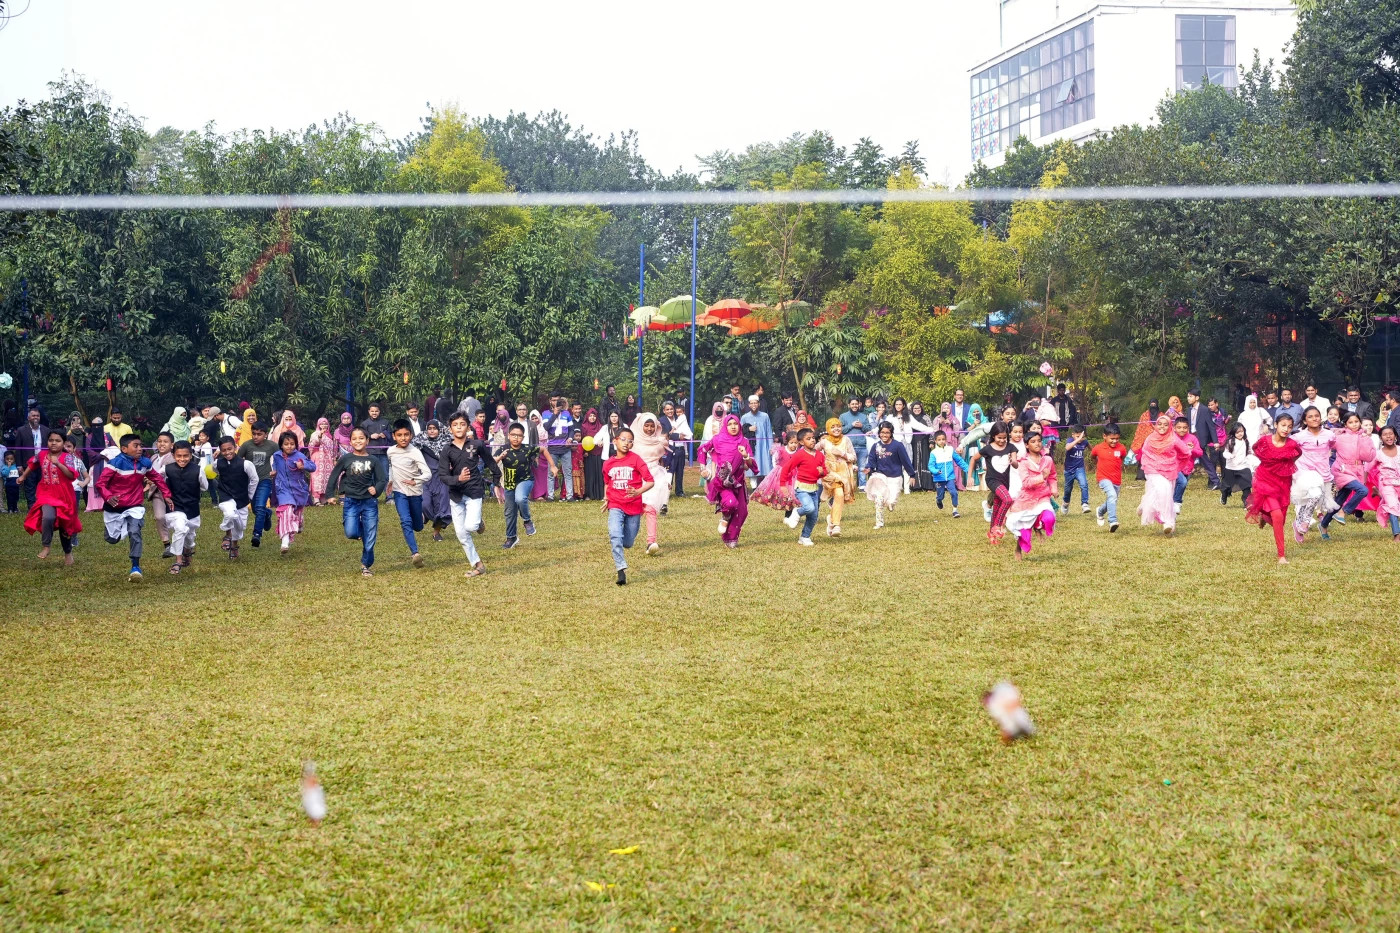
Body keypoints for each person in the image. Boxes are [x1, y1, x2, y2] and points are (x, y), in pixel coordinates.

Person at [95, 433, 170, 581]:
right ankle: (119, 528)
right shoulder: (115, 463)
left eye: (141, 445)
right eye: (135, 446)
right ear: (124, 449)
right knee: (111, 539)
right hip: (114, 507)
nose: (140, 448)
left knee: (135, 531)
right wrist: (108, 497)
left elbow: (157, 478)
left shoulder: (145, 463)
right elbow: (100, 484)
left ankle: (135, 567)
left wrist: (167, 494)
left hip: (134, 505)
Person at [439, 411, 500, 576]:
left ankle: (478, 522)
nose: (459, 428)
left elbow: (491, 463)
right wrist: (457, 478)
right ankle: (478, 564)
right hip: (456, 495)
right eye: (455, 425)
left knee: (471, 526)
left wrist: (496, 482)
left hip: (474, 491)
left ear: (468, 427)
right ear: (450, 429)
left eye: (462, 424)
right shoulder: (447, 450)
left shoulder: (477, 444)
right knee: (461, 534)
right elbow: (443, 475)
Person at [325, 428, 387, 576]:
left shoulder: (373, 460)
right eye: (354, 439)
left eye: (361, 438)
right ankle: (359, 530)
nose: (358, 441)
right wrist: (330, 495)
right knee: (351, 532)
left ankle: (366, 564)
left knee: (370, 535)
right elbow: (334, 475)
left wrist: (376, 489)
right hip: (351, 501)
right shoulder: (346, 459)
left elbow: (382, 479)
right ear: (350, 442)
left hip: (369, 502)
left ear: (367, 441)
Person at [19, 430, 82, 565]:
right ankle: (46, 546)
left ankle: (68, 552)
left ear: (63, 443)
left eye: (57, 441)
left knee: (65, 525)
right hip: (46, 493)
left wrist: (58, 463)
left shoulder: (67, 457)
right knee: (48, 517)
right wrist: (23, 476)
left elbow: (71, 475)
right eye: (51, 440)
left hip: (64, 494)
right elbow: (32, 464)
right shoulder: (42, 454)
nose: (53, 443)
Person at [1247, 414, 1302, 564]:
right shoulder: (1265, 440)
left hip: (1283, 484)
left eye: (1289, 427)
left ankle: (1265, 517)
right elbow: (1255, 448)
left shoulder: (1291, 444)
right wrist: (1267, 461)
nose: (1286, 429)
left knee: (1280, 520)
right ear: (1276, 425)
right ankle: (1281, 556)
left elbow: (1298, 453)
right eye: (1283, 425)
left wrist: (1285, 464)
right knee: (1277, 516)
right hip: (1264, 480)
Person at [602, 426, 654, 584]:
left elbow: (650, 481)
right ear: (615, 441)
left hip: (634, 507)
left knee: (628, 542)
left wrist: (638, 492)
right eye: (623, 439)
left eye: (630, 441)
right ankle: (621, 569)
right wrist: (606, 498)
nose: (626, 443)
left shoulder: (636, 459)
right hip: (615, 504)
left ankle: (623, 545)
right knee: (615, 535)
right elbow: (607, 483)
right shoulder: (608, 464)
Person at [697, 413, 757, 548]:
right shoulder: (718, 439)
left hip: (739, 481)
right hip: (722, 481)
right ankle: (725, 517)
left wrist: (745, 456)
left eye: (735, 424)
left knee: (742, 512)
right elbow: (702, 450)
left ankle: (731, 538)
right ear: (725, 426)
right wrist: (703, 468)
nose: (733, 427)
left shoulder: (744, 441)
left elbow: (750, 464)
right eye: (729, 424)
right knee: (730, 503)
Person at [495, 421, 557, 549]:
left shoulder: (527, 448)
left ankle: (527, 521)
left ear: (523, 437)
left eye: (519, 436)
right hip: (509, 483)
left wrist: (553, 465)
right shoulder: (503, 449)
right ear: (508, 436)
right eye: (513, 435)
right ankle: (511, 537)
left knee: (520, 498)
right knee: (510, 512)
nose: (516, 438)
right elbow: (492, 461)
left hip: (526, 480)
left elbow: (543, 449)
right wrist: (500, 457)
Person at [385, 419, 433, 567]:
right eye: (399, 435)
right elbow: (391, 466)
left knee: (418, 526)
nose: (403, 438)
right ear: (394, 436)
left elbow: (428, 473)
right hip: (399, 492)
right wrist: (391, 481)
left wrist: (416, 480)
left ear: (411, 435)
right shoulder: (390, 451)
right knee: (405, 521)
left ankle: (422, 517)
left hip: (415, 493)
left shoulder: (415, 452)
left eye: (406, 435)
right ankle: (415, 554)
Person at [1005, 430, 1058, 558]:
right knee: (1024, 531)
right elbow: (1026, 482)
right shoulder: (1023, 462)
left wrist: (1054, 489)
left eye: (1039, 441)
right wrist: (1041, 477)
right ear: (1027, 445)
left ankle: (1038, 525)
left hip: (1042, 497)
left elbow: (1052, 476)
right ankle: (1018, 549)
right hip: (1027, 499)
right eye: (1033, 442)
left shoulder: (1048, 460)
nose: (1037, 444)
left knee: (1049, 517)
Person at [1135, 414, 1190, 536]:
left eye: (1165, 425)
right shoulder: (1150, 438)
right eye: (1159, 424)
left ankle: (1145, 506)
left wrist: (1177, 462)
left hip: (1169, 470)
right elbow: (1144, 452)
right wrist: (1148, 464)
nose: (1162, 427)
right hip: (1152, 469)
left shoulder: (1173, 438)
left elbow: (1186, 452)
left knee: (1166, 494)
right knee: (1163, 490)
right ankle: (1167, 521)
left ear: (1170, 426)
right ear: (1155, 425)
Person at [161, 440, 207, 574]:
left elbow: (204, 487)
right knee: (180, 528)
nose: (182, 459)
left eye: (185, 456)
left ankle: (187, 550)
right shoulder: (166, 469)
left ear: (191, 455)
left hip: (192, 509)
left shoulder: (198, 470)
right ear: (173, 455)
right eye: (179, 456)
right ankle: (178, 560)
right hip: (174, 508)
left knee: (190, 536)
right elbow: (157, 480)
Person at [630, 413, 672, 555]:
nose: (649, 429)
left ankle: (651, 542)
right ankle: (626, 536)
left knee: (650, 509)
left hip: (654, 478)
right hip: (637, 478)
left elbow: (662, 461)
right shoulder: (632, 442)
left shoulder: (660, 442)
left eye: (652, 426)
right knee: (636, 511)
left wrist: (665, 480)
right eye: (646, 426)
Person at [212, 435, 259, 559]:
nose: (227, 452)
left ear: (235, 448)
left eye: (229, 449)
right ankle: (227, 535)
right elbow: (216, 470)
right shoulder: (217, 463)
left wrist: (250, 495)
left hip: (241, 497)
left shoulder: (246, 464)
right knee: (230, 513)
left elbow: (254, 479)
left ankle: (234, 545)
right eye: (224, 450)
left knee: (240, 526)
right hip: (226, 496)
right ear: (220, 451)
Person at [968, 422, 1016, 542]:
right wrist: (970, 476)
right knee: (1008, 500)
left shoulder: (1011, 447)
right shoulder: (988, 449)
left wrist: (1013, 461)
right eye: (999, 437)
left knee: (997, 506)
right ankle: (997, 526)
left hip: (1005, 481)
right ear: (993, 436)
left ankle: (992, 536)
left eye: (1004, 438)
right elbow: (973, 459)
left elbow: (1015, 464)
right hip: (992, 480)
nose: (1002, 440)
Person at [779, 427, 827, 545]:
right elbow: (786, 468)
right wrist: (782, 485)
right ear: (801, 442)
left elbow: (825, 470)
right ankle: (796, 513)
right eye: (808, 439)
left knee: (813, 516)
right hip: (801, 489)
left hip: (814, 489)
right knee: (809, 508)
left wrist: (822, 472)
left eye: (813, 438)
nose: (812, 440)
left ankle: (805, 537)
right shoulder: (799, 455)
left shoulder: (820, 455)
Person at [864, 422, 916, 530]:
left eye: (887, 433)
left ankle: (890, 504)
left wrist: (912, 475)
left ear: (891, 433)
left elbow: (906, 461)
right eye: (882, 432)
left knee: (890, 501)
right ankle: (879, 522)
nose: (884, 435)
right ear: (879, 433)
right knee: (879, 499)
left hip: (895, 477)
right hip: (880, 476)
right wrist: (868, 468)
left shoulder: (898, 446)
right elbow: (871, 461)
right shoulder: (875, 446)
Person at [1329, 411, 1376, 528]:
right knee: (1363, 490)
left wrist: (1365, 440)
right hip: (1342, 470)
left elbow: (1368, 457)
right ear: (1345, 424)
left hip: (1357, 470)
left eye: (1356, 421)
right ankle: (1343, 512)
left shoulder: (1364, 437)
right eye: (1351, 422)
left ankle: (1324, 524)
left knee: (1340, 499)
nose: (1354, 424)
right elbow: (1326, 444)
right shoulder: (1340, 436)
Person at [237, 421, 278, 548]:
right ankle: (267, 513)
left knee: (260, 507)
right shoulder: (246, 445)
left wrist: (276, 470)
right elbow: (237, 461)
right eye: (254, 434)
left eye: (259, 434)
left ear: (265, 434)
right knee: (256, 509)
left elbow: (281, 458)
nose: (256, 437)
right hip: (250, 482)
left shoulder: (272, 446)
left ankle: (256, 535)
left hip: (265, 480)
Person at [411, 420, 453, 540]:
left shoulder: (447, 441)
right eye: (429, 428)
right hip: (426, 477)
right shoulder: (420, 440)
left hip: (442, 478)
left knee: (441, 506)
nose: (432, 431)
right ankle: (432, 519)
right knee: (425, 504)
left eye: (434, 428)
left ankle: (436, 532)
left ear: (439, 430)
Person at [816, 417, 857, 537]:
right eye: (833, 427)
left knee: (840, 496)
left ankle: (832, 521)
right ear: (828, 428)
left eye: (838, 426)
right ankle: (836, 525)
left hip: (844, 474)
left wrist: (843, 454)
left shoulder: (846, 440)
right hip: (830, 474)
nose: (836, 429)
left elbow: (854, 457)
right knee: (838, 494)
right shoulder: (824, 442)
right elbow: (812, 451)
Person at [755, 431, 800, 522]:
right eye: (791, 443)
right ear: (787, 442)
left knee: (793, 496)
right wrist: (777, 469)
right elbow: (775, 459)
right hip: (782, 475)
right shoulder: (781, 450)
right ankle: (786, 514)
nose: (793, 445)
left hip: (794, 477)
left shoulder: (799, 452)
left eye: (796, 443)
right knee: (782, 495)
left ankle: (789, 515)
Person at [1088, 423, 1126, 531]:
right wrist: (1098, 465)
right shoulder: (1098, 448)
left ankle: (1100, 511)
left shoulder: (1122, 448)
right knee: (1112, 496)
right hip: (1103, 478)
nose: (1114, 441)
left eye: (1117, 439)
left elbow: (1122, 458)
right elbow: (1092, 456)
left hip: (1116, 479)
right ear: (1104, 436)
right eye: (1112, 439)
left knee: (1112, 499)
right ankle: (1113, 521)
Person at [927, 429, 969, 517]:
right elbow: (930, 465)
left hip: (950, 477)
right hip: (939, 478)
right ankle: (939, 500)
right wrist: (936, 471)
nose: (941, 441)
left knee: (954, 492)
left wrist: (967, 468)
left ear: (946, 439)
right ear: (935, 441)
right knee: (940, 495)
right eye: (939, 440)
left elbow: (959, 460)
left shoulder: (950, 449)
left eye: (943, 439)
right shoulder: (933, 453)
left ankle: (955, 510)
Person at [15, 408, 48, 511]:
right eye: (33, 415)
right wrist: (19, 465)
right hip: (28, 464)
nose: (35, 417)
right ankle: (32, 509)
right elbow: (18, 449)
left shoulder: (46, 430)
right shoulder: (21, 430)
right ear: (28, 417)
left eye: (37, 415)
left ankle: (42, 506)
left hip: (43, 463)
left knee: (43, 486)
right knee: (29, 487)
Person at [1185, 391, 1220, 489]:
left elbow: (1211, 426)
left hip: (1200, 438)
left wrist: (1215, 441)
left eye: (1190, 396)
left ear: (1197, 398)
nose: (1188, 398)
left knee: (1204, 459)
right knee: (1188, 458)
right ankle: (1182, 480)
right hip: (1190, 438)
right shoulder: (1189, 410)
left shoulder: (1204, 409)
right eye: (1188, 396)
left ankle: (1216, 481)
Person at [543, 397, 574, 501]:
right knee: (551, 473)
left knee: (568, 472)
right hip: (552, 448)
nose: (556, 402)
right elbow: (546, 427)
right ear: (550, 401)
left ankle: (570, 496)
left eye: (558, 400)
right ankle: (550, 496)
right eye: (554, 400)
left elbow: (571, 429)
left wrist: (570, 438)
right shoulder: (546, 413)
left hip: (565, 448)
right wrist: (555, 414)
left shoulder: (567, 413)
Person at [1372, 425, 1400, 540]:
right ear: (1381, 438)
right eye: (1385, 434)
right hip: (1387, 484)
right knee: (1392, 505)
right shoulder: (1378, 453)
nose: (1388, 436)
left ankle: (1379, 494)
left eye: (1391, 434)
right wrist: (1363, 482)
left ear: (1395, 436)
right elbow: (1367, 468)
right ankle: (1397, 534)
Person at [1171, 417, 1203, 514]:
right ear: (1174, 428)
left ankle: (1171, 514)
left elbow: (1200, 453)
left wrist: (1192, 450)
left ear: (1188, 428)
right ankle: (1177, 503)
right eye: (1179, 427)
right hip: (1174, 467)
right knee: (1182, 482)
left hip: (1187, 469)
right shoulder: (1171, 438)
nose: (1182, 430)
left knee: (1179, 489)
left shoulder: (1192, 438)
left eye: (1184, 428)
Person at [1219, 423, 1254, 508]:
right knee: (1226, 486)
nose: (1240, 434)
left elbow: (1249, 452)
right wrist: (1230, 456)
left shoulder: (1246, 441)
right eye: (1237, 432)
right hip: (1231, 468)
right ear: (1234, 432)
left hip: (1243, 467)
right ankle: (1224, 495)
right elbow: (1225, 453)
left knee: (1247, 486)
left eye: (1241, 431)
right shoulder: (1230, 442)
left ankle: (1247, 503)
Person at [661, 400, 692, 497]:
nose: (670, 411)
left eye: (671, 409)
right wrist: (678, 436)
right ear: (664, 411)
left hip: (681, 448)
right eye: (667, 409)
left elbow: (686, 429)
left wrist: (685, 435)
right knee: (669, 471)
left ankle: (679, 491)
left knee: (680, 471)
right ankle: (666, 491)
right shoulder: (661, 421)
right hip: (669, 449)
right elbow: (665, 434)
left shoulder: (680, 417)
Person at [740, 395, 773, 482]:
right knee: (752, 465)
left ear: (759, 404)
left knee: (765, 465)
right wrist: (748, 429)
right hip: (750, 447)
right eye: (752, 403)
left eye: (755, 403)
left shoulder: (765, 416)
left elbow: (769, 432)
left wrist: (771, 447)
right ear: (749, 405)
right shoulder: (744, 417)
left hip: (763, 446)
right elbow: (740, 431)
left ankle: (764, 486)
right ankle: (754, 487)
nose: (754, 405)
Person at [307, 417, 339, 505]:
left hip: (327, 460)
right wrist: (320, 435)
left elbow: (333, 449)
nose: (324, 425)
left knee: (326, 478)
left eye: (325, 424)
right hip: (318, 458)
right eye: (322, 423)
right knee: (317, 477)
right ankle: (316, 498)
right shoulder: (315, 434)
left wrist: (334, 458)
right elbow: (313, 444)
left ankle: (323, 498)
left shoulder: (329, 435)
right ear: (318, 425)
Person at [838, 398, 869, 488]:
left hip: (862, 446)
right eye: (852, 404)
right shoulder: (843, 416)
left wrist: (862, 426)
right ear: (849, 405)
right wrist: (851, 425)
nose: (854, 406)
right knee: (847, 467)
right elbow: (840, 430)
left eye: (856, 404)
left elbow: (868, 429)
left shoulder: (863, 416)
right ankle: (847, 485)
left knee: (862, 467)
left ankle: (862, 486)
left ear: (859, 404)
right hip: (848, 446)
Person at [1060, 425, 1090, 514]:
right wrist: (1077, 440)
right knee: (1068, 489)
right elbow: (1067, 447)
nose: (1081, 439)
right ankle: (1065, 503)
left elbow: (1093, 450)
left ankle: (1085, 503)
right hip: (1069, 470)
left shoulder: (1085, 442)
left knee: (1084, 484)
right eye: (1078, 436)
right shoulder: (1070, 440)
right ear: (1073, 435)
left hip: (1079, 468)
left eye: (1083, 437)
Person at [906, 402, 935, 491]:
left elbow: (931, 430)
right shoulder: (909, 418)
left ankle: (927, 485)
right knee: (914, 461)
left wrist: (931, 441)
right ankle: (915, 486)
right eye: (915, 408)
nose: (917, 410)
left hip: (924, 443)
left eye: (918, 408)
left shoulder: (926, 417)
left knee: (925, 461)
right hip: (913, 442)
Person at [360, 403, 391, 479]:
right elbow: (360, 436)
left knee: (385, 475)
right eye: (372, 411)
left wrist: (385, 434)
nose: (374, 413)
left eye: (376, 411)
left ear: (379, 411)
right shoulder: (364, 424)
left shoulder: (385, 422)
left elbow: (391, 435)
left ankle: (385, 487)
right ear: (369, 411)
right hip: (370, 453)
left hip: (383, 453)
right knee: (371, 475)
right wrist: (370, 436)